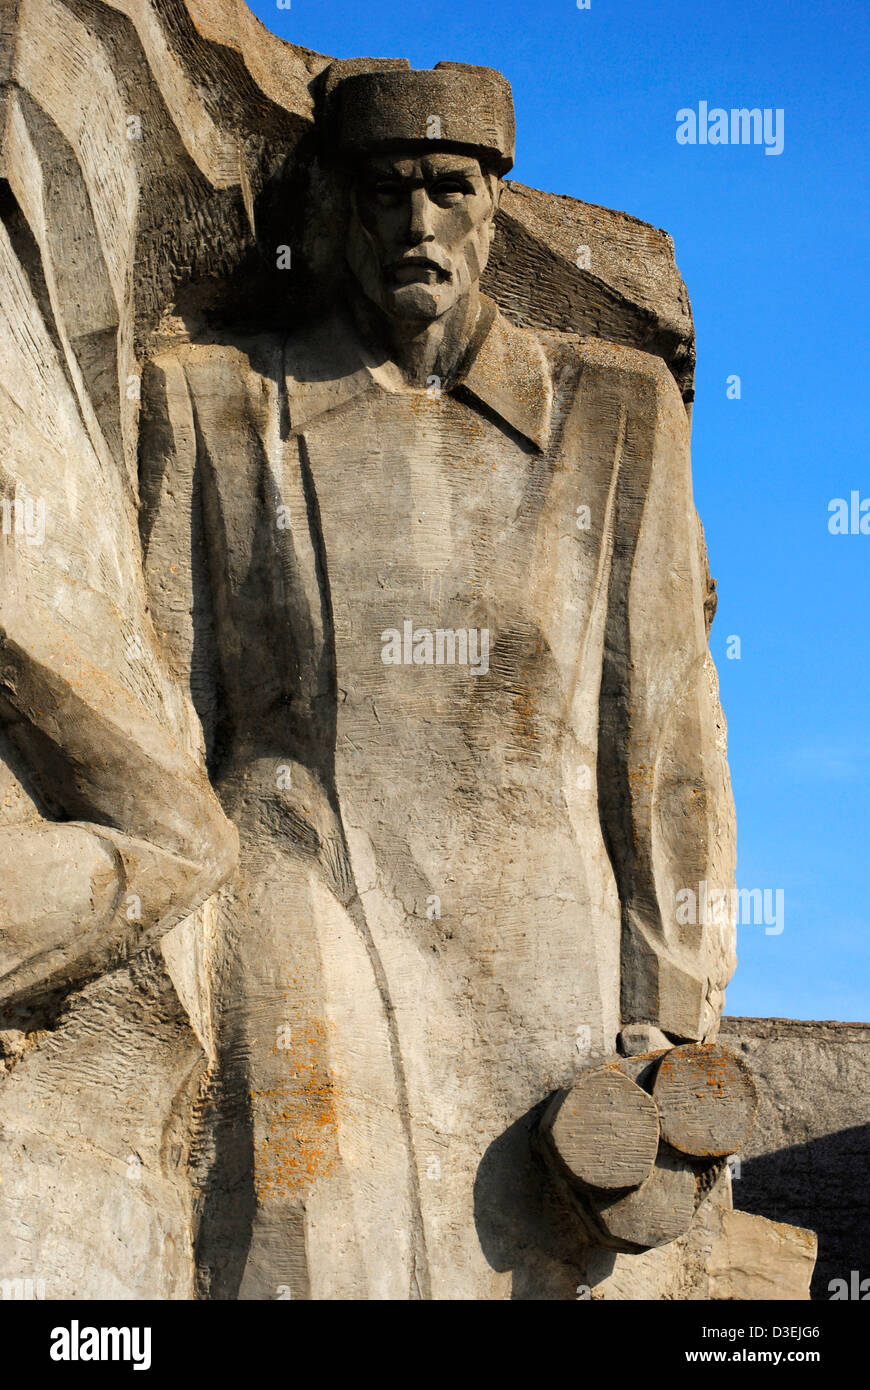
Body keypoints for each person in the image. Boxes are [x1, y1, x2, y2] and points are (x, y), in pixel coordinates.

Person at [137, 58, 736, 1299]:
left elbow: (668, 734)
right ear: (336, 210)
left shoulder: (613, 415)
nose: (417, 225)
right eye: (384, 191)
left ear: (495, 207)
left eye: (450, 189)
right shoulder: (217, 405)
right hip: (302, 930)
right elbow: (163, 710)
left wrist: (675, 1001)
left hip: (545, 981)